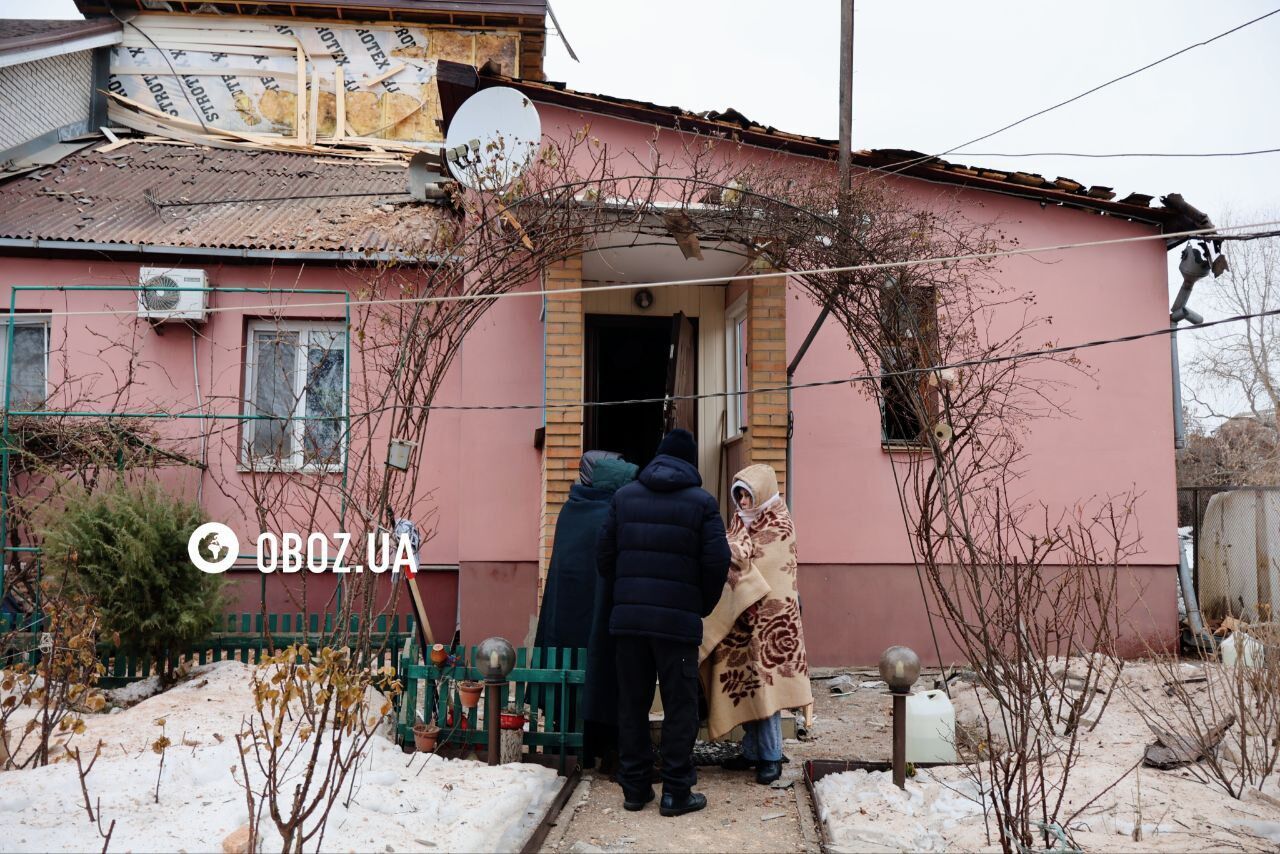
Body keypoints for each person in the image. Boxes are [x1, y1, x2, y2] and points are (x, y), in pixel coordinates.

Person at [597, 428, 731, 817]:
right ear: (689, 462)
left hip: (629, 622)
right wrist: (699, 604)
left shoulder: (623, 498)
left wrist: (624, 592)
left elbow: (603, 555)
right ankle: (675, 791)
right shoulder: (702, 504)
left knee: (632, 704)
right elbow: (717, 561)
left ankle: (635, 788)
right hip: (677, 625)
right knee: (680, 705)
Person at [699, 464, 812, 785]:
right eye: (739, 496)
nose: (744, 503)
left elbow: (769, 571)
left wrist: (732, 555)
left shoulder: (779, 524)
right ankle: (751, 751)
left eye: (748, 495)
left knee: (767, 690)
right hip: (740, 621)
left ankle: (771, 756)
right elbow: (732, 556)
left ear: (761, 493)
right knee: (744, 685)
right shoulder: (739, 522)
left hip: (769, 624)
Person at [534, 452, 639, 771]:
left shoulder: (574, 507)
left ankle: (585, 742)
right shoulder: (607, 512)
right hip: (593, 611)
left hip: (575, 613)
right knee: (600, 671)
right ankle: (602, 746)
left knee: (590, 670)